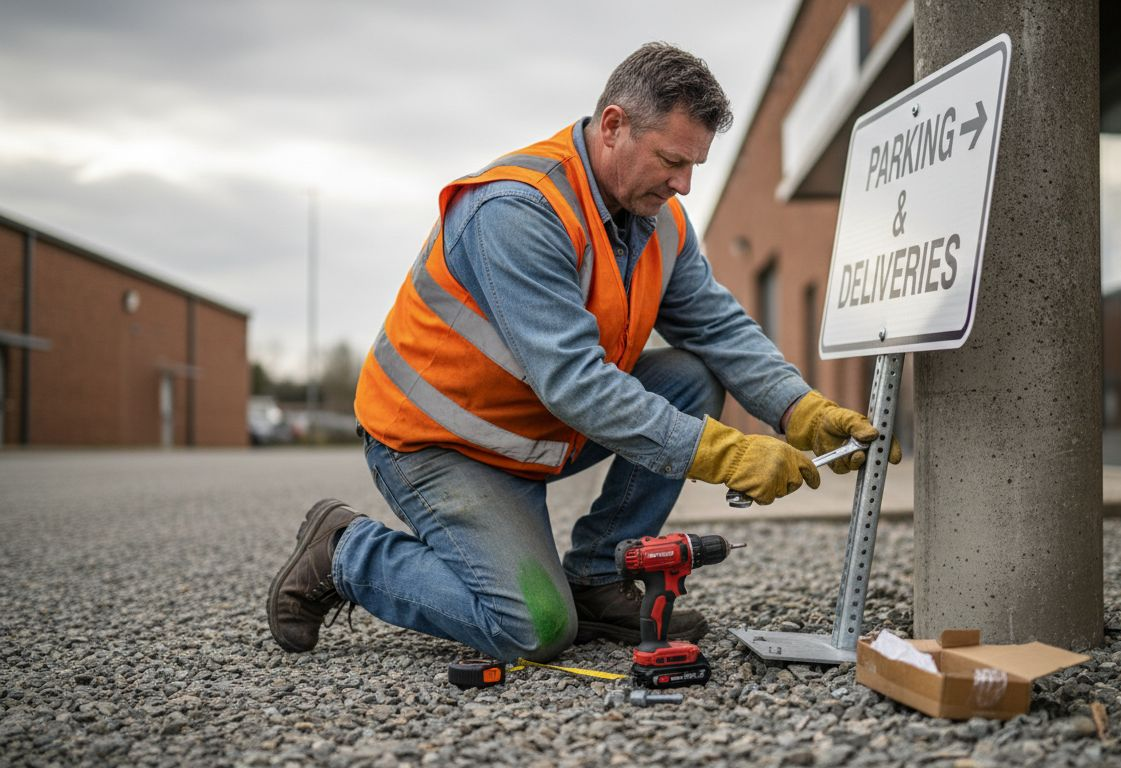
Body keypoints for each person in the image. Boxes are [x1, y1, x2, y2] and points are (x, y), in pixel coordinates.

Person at [266, 42, 900, 663]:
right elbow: (575, 382)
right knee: (535, 627)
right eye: (671, 160)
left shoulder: (661, 221)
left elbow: (719, 327)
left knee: (689, 377)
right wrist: (724, 453)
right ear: (614, 126)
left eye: (694, 166)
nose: (683, 184)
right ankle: (346, 550)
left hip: (532, 432)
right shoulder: (517, 211)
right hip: (438, 443)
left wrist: (798, 409)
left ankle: (599, 578)